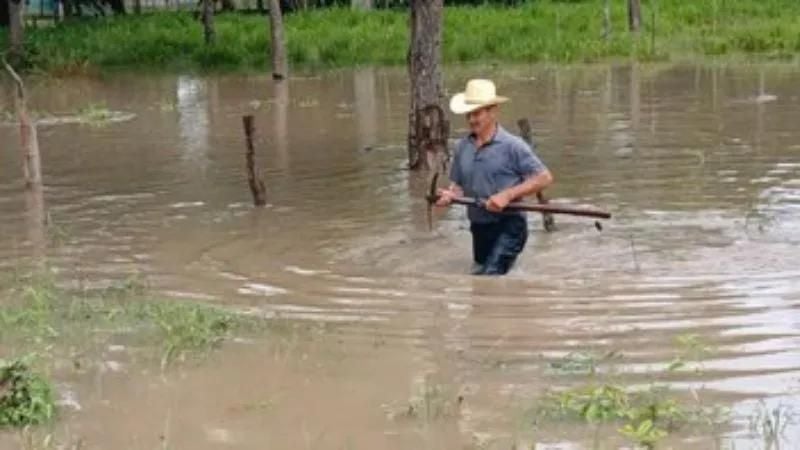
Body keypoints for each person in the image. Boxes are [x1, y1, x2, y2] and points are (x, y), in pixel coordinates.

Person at [435, 79, 554, 276]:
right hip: (479, 226)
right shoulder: (462, 147)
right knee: (480, 273)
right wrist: (450, 195)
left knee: (490, 276)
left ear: (493, 111)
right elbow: (459, 186)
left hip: (510, 224)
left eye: (477, 113)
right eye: (469, 114)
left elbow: (544, 177)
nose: (472, 119)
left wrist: (507, 195)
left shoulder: (513, 146)